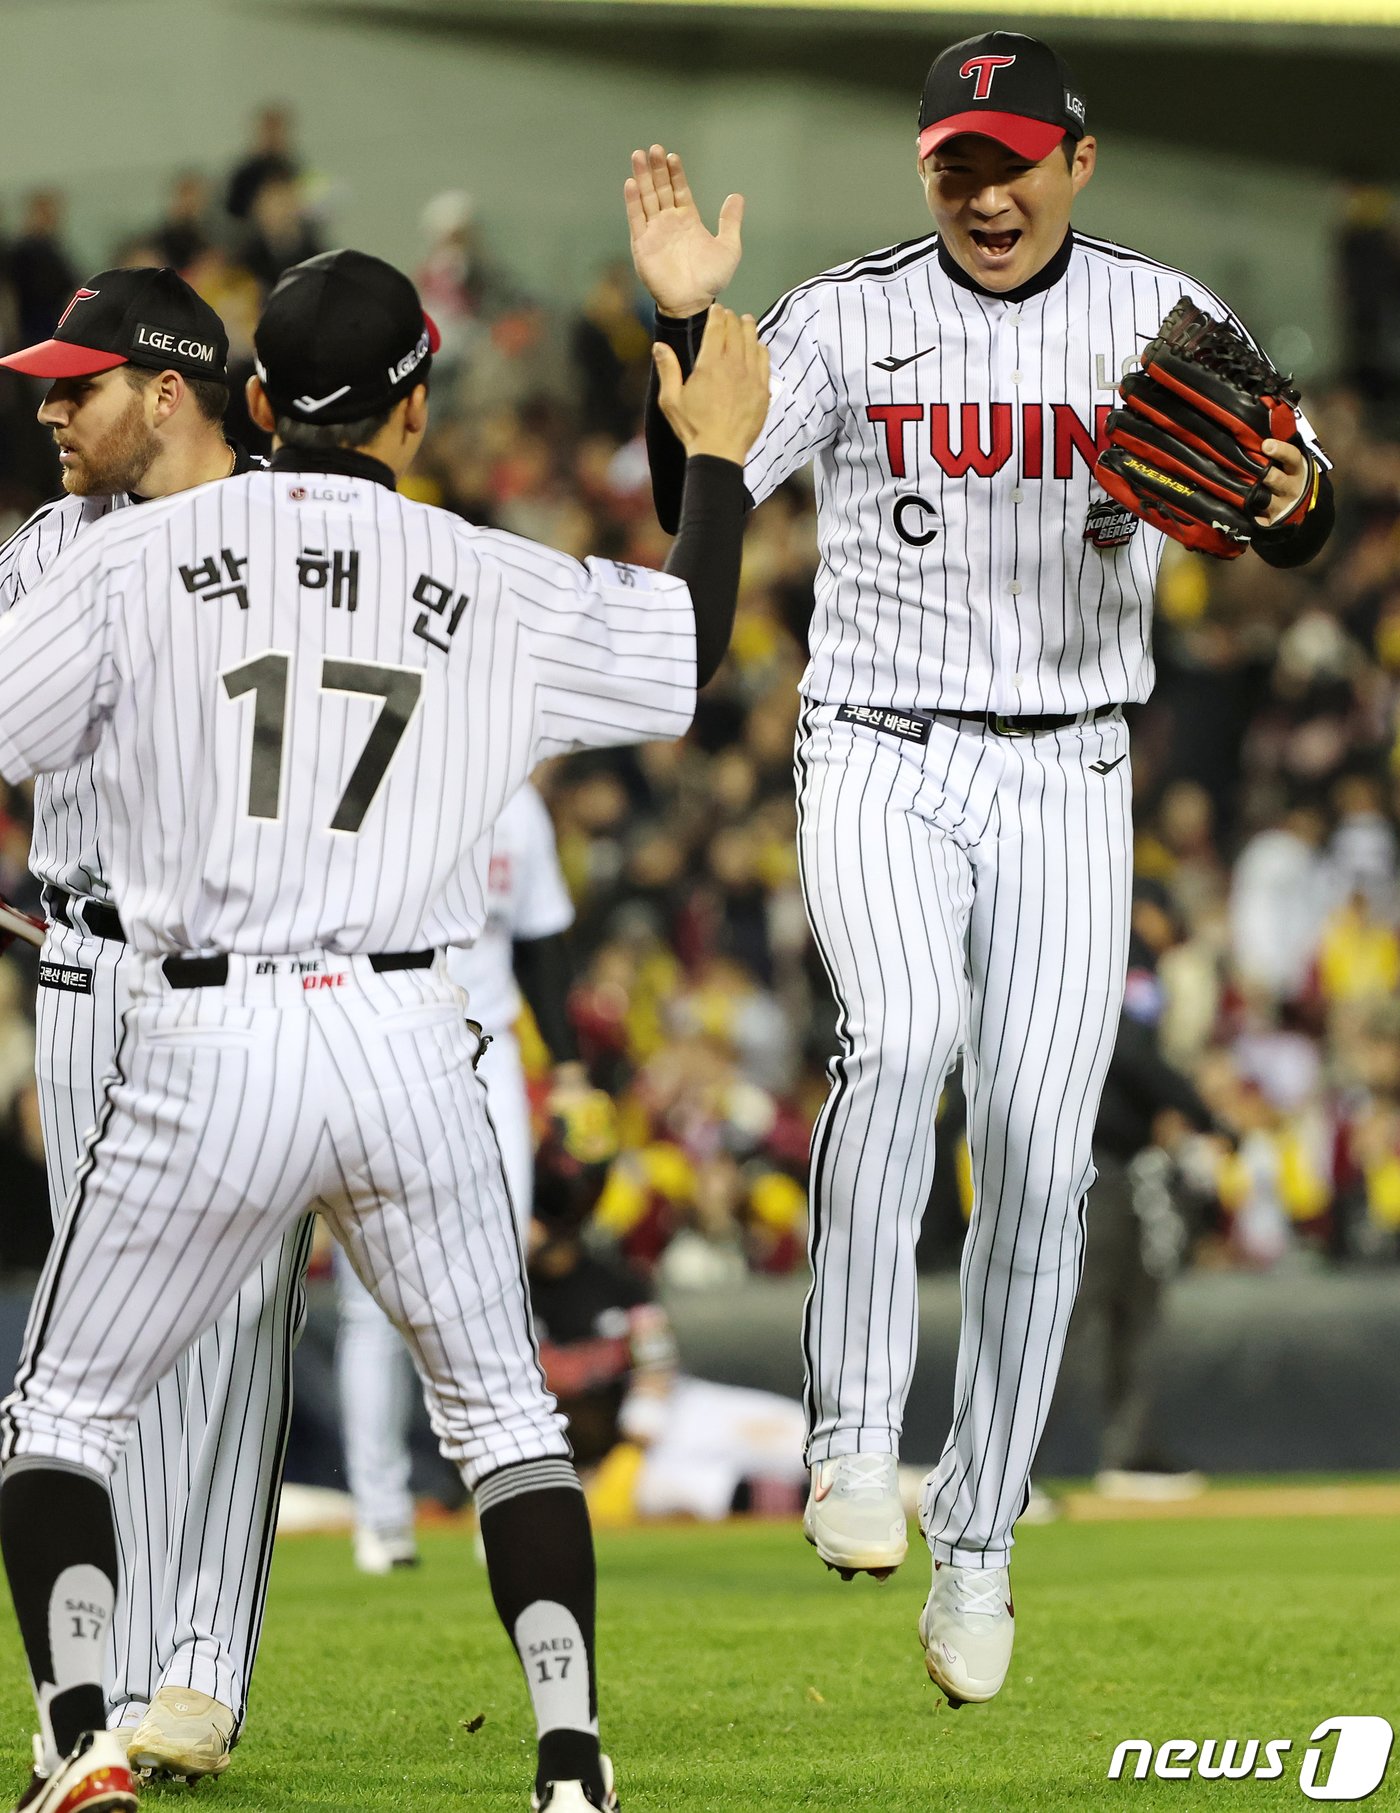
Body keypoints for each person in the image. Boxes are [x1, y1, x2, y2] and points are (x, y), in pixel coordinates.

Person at [0, 247, 767, 1813]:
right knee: (504, 1418)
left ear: (257, 400)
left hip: (210, 1027)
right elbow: (688, 649)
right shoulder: (491, 569)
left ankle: (85, 1730)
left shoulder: (132, 557)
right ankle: (570, 1761)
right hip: (414, 1030)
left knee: (64, 1410)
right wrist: (726, 468)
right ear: (416, 411)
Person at [625, 27, 1334, 1707]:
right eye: (958, 158)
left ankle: (986, 1542)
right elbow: (695, 471)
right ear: (924, 167)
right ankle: (856, 1437)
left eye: (1015, 158)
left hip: (1077, 767)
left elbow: (1293, 516)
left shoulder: (1165, 319)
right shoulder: (854, 313)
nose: (986, 187)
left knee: (1038, 1140)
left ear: (1076, 164)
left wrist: (1293, 491)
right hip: (878, 737)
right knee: (901, 1040)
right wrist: (676, 322)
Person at [0, 266, 303, 1783]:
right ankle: (100, 1680)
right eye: (48, 383)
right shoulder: (48, 545)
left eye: (79, 384)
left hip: (250, 968)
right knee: (96, 1332)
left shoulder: (297, 527)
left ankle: (195, 1676)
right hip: (81, 965)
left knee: (230, 1325)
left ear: (166, 391)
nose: (50, 407)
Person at [335, 779, 590, 1574]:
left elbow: (544, 941)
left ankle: (503, 1498)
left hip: (490, 1054)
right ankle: (380, 1515)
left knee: (496, 1284)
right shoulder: (374, 772)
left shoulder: (518, 804)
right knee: (368, 1302)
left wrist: (573, 1064)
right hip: (373, 1043)